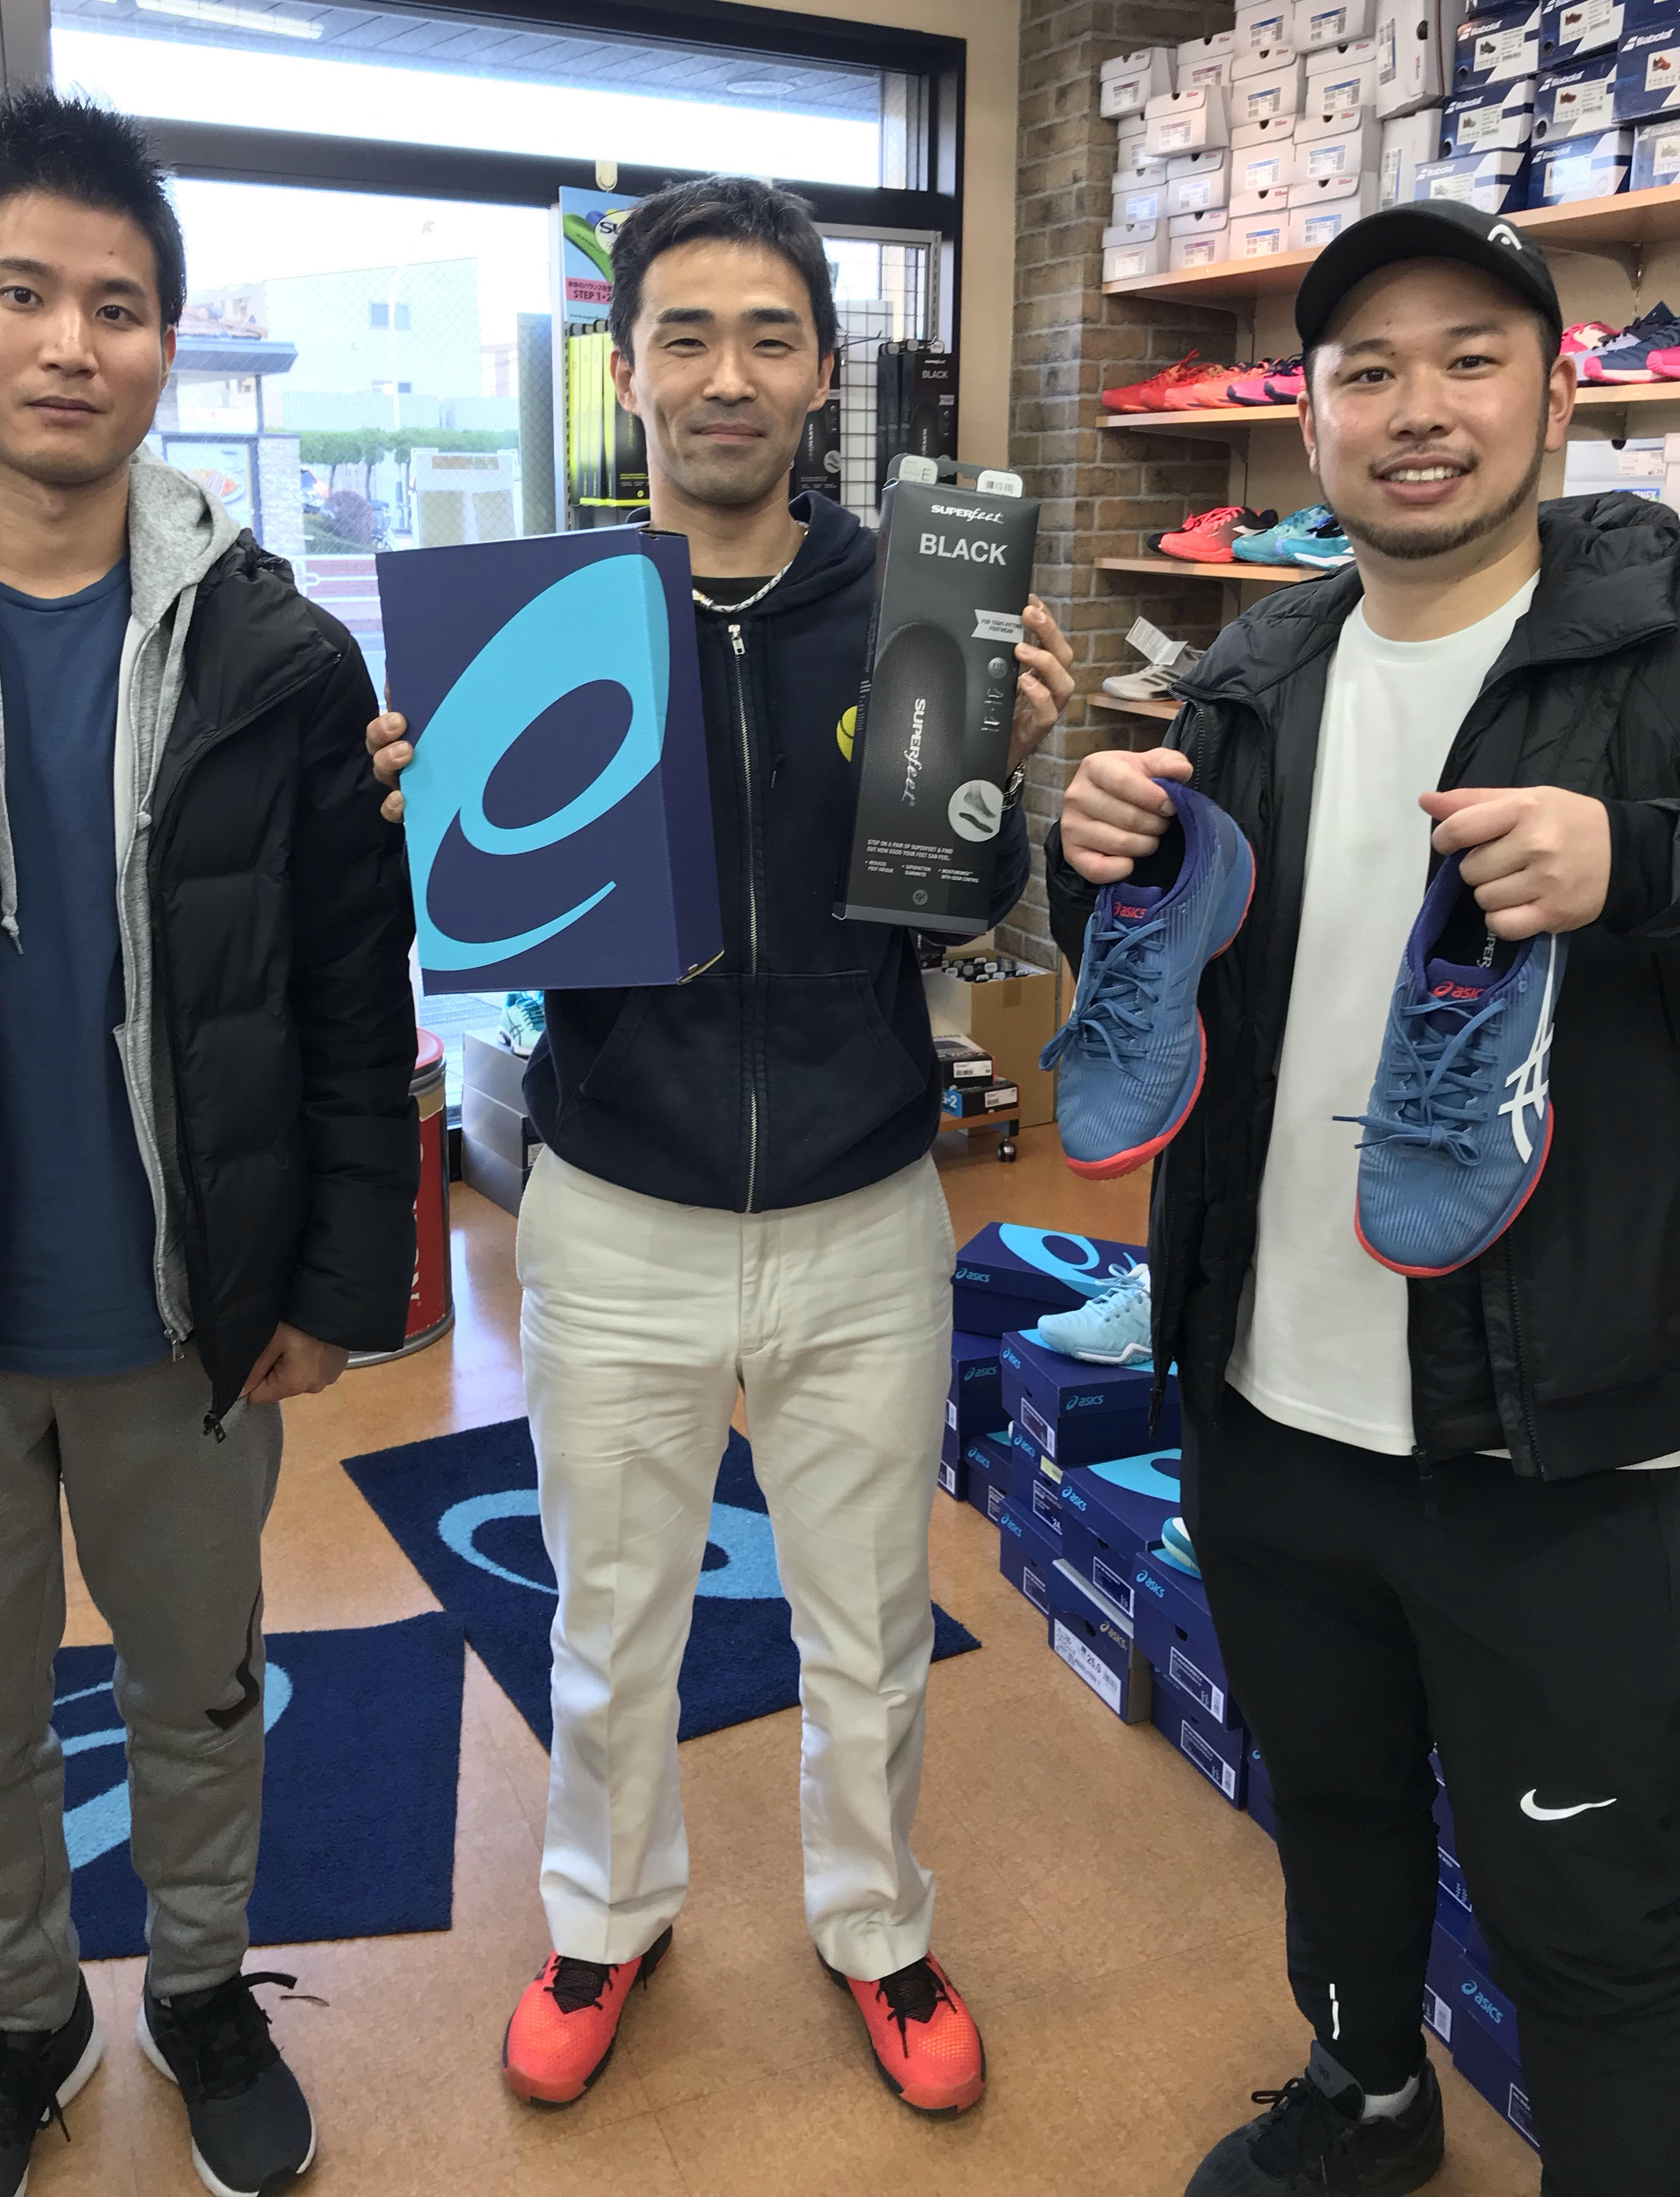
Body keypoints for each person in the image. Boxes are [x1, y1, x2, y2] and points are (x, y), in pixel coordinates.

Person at [372, 176, 1074, 2116]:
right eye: (685, 336)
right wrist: (431, 810)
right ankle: (603, 1919)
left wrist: (1002, 779)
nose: (729, 375)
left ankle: (878, 1927)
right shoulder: (553, 628)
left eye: (770, 336)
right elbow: (498, 913)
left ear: (825, 370)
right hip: (621, 1205)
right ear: (628, 372)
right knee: (612, 1619)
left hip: (864, 1203)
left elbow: (958, 921)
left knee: (870, 1622)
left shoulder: (916, 603)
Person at [1051, 199, 1680, 2197]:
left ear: (1557, 401)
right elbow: (1197, 989)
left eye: (1472, 361)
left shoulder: (1658, 646)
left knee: (1591, 1914)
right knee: (1330, 1806)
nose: (1420, 410)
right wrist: (1094, 865)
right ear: (1311, 417)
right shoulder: (1254, 670)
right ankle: (1372, 2100)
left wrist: (1642, 863)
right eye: (1369, 371)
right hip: (1274, 1385)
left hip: (1562, 1435)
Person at [0, 90, 419, 2197]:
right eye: (25, 294)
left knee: (202, 1687)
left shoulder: (283, 652)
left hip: (191, 1316)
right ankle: (22, 2023)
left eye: (121, 305)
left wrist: (338, 1283)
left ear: (170, 342)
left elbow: (352, 994)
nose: (72, 344)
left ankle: (198, 1988)